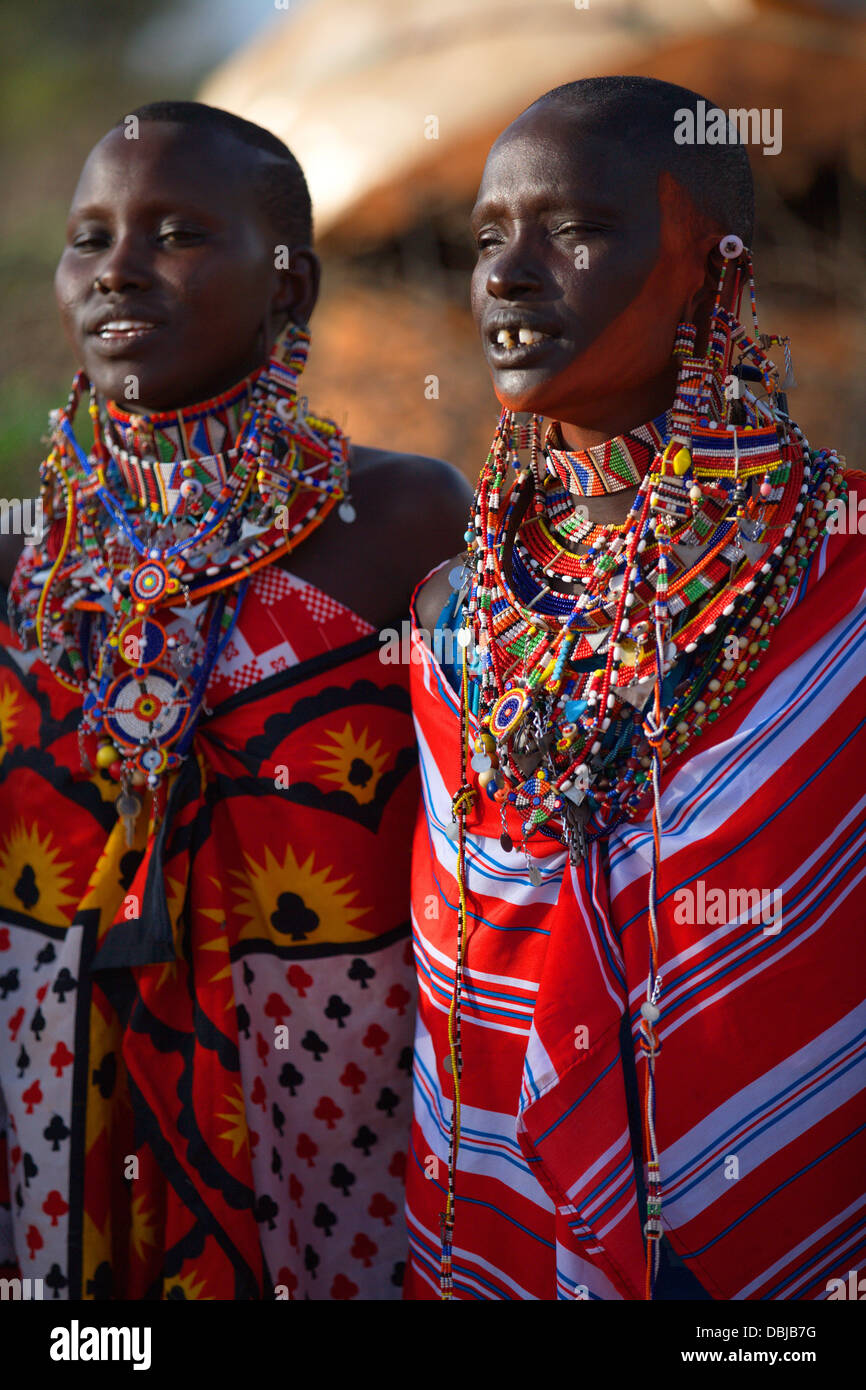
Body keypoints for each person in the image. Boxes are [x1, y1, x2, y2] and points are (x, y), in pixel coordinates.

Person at [0, 101, 471, 1301]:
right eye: (90, 235)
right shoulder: (20, 565)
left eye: (174, 232)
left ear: (288, 283)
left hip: (340, 1105)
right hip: (65, 1106)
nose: (117, 266)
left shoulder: (399, 524)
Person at [406, 76, 865, 1301]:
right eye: (489, 236)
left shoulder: (837, 571)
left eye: (574, 229)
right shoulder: (456, 610)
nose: (507, 274)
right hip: (501, 1192)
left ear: (710, 271)